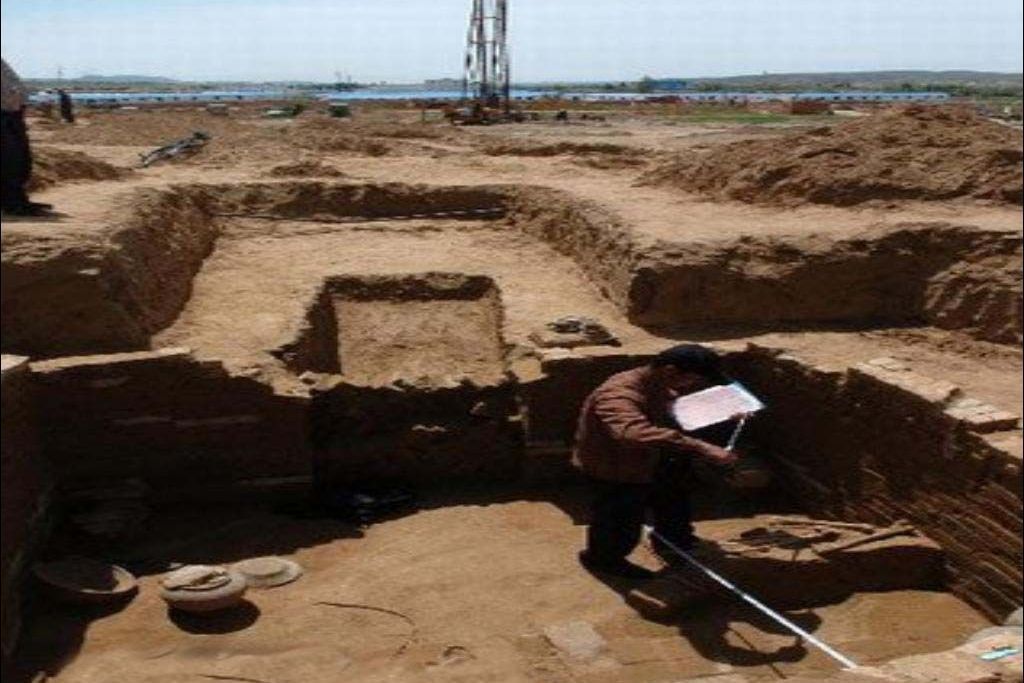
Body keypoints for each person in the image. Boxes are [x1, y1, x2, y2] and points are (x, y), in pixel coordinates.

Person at [573, 344, 739, 579]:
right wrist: (700, 446)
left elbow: (670, 408)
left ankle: (674, 544)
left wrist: (724, 409)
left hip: (652, 459)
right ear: (670, 371)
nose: (691, 385)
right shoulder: (619, 394)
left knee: (673, 502)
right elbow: (631, 433)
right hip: (616, 466)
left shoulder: (659, 383)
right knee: (621, 521)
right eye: (691, 379)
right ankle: (603, 560)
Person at [2, 58, 51, 216]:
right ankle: (13, 204)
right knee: (10, 160)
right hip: (5, 116)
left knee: (20, 160)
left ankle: (17, 200)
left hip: (12, 115)